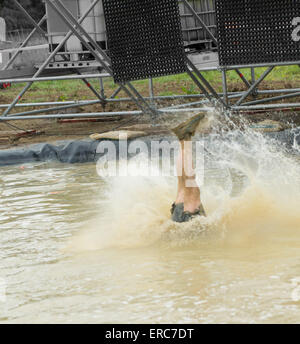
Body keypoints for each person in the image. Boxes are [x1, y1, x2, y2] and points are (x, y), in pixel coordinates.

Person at [170, 113, 207, 223]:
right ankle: (183, 139)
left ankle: (184, 138)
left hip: (185, 214)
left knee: (187, 186)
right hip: (183, 213)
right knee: (185, 186)